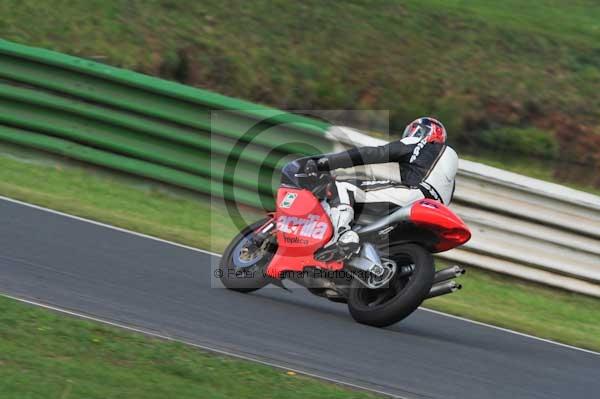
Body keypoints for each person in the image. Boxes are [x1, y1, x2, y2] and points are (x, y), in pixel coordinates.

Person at [282, 117, 458, 258]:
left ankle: (341, 234)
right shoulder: (448, 174)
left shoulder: (419, 143)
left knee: (344, 186)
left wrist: (325, 163)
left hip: (413, 194)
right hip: (431, 209)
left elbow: (373, 154)